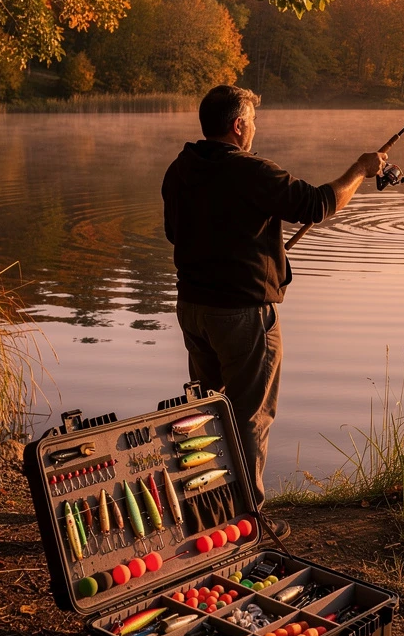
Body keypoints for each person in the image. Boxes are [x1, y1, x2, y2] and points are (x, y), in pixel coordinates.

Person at [162, 84, 385, 528]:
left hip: (193, 310)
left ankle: (207, 511)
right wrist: (361, 168)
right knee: (250, 416)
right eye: (253, 121)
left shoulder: (180, 168)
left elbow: (176, 234)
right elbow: (320, 204)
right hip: (242, 318)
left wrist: (252, 247)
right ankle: (248, 519)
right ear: (238, 125)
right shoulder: (252, 172)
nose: (255, 129)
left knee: (206, 411)